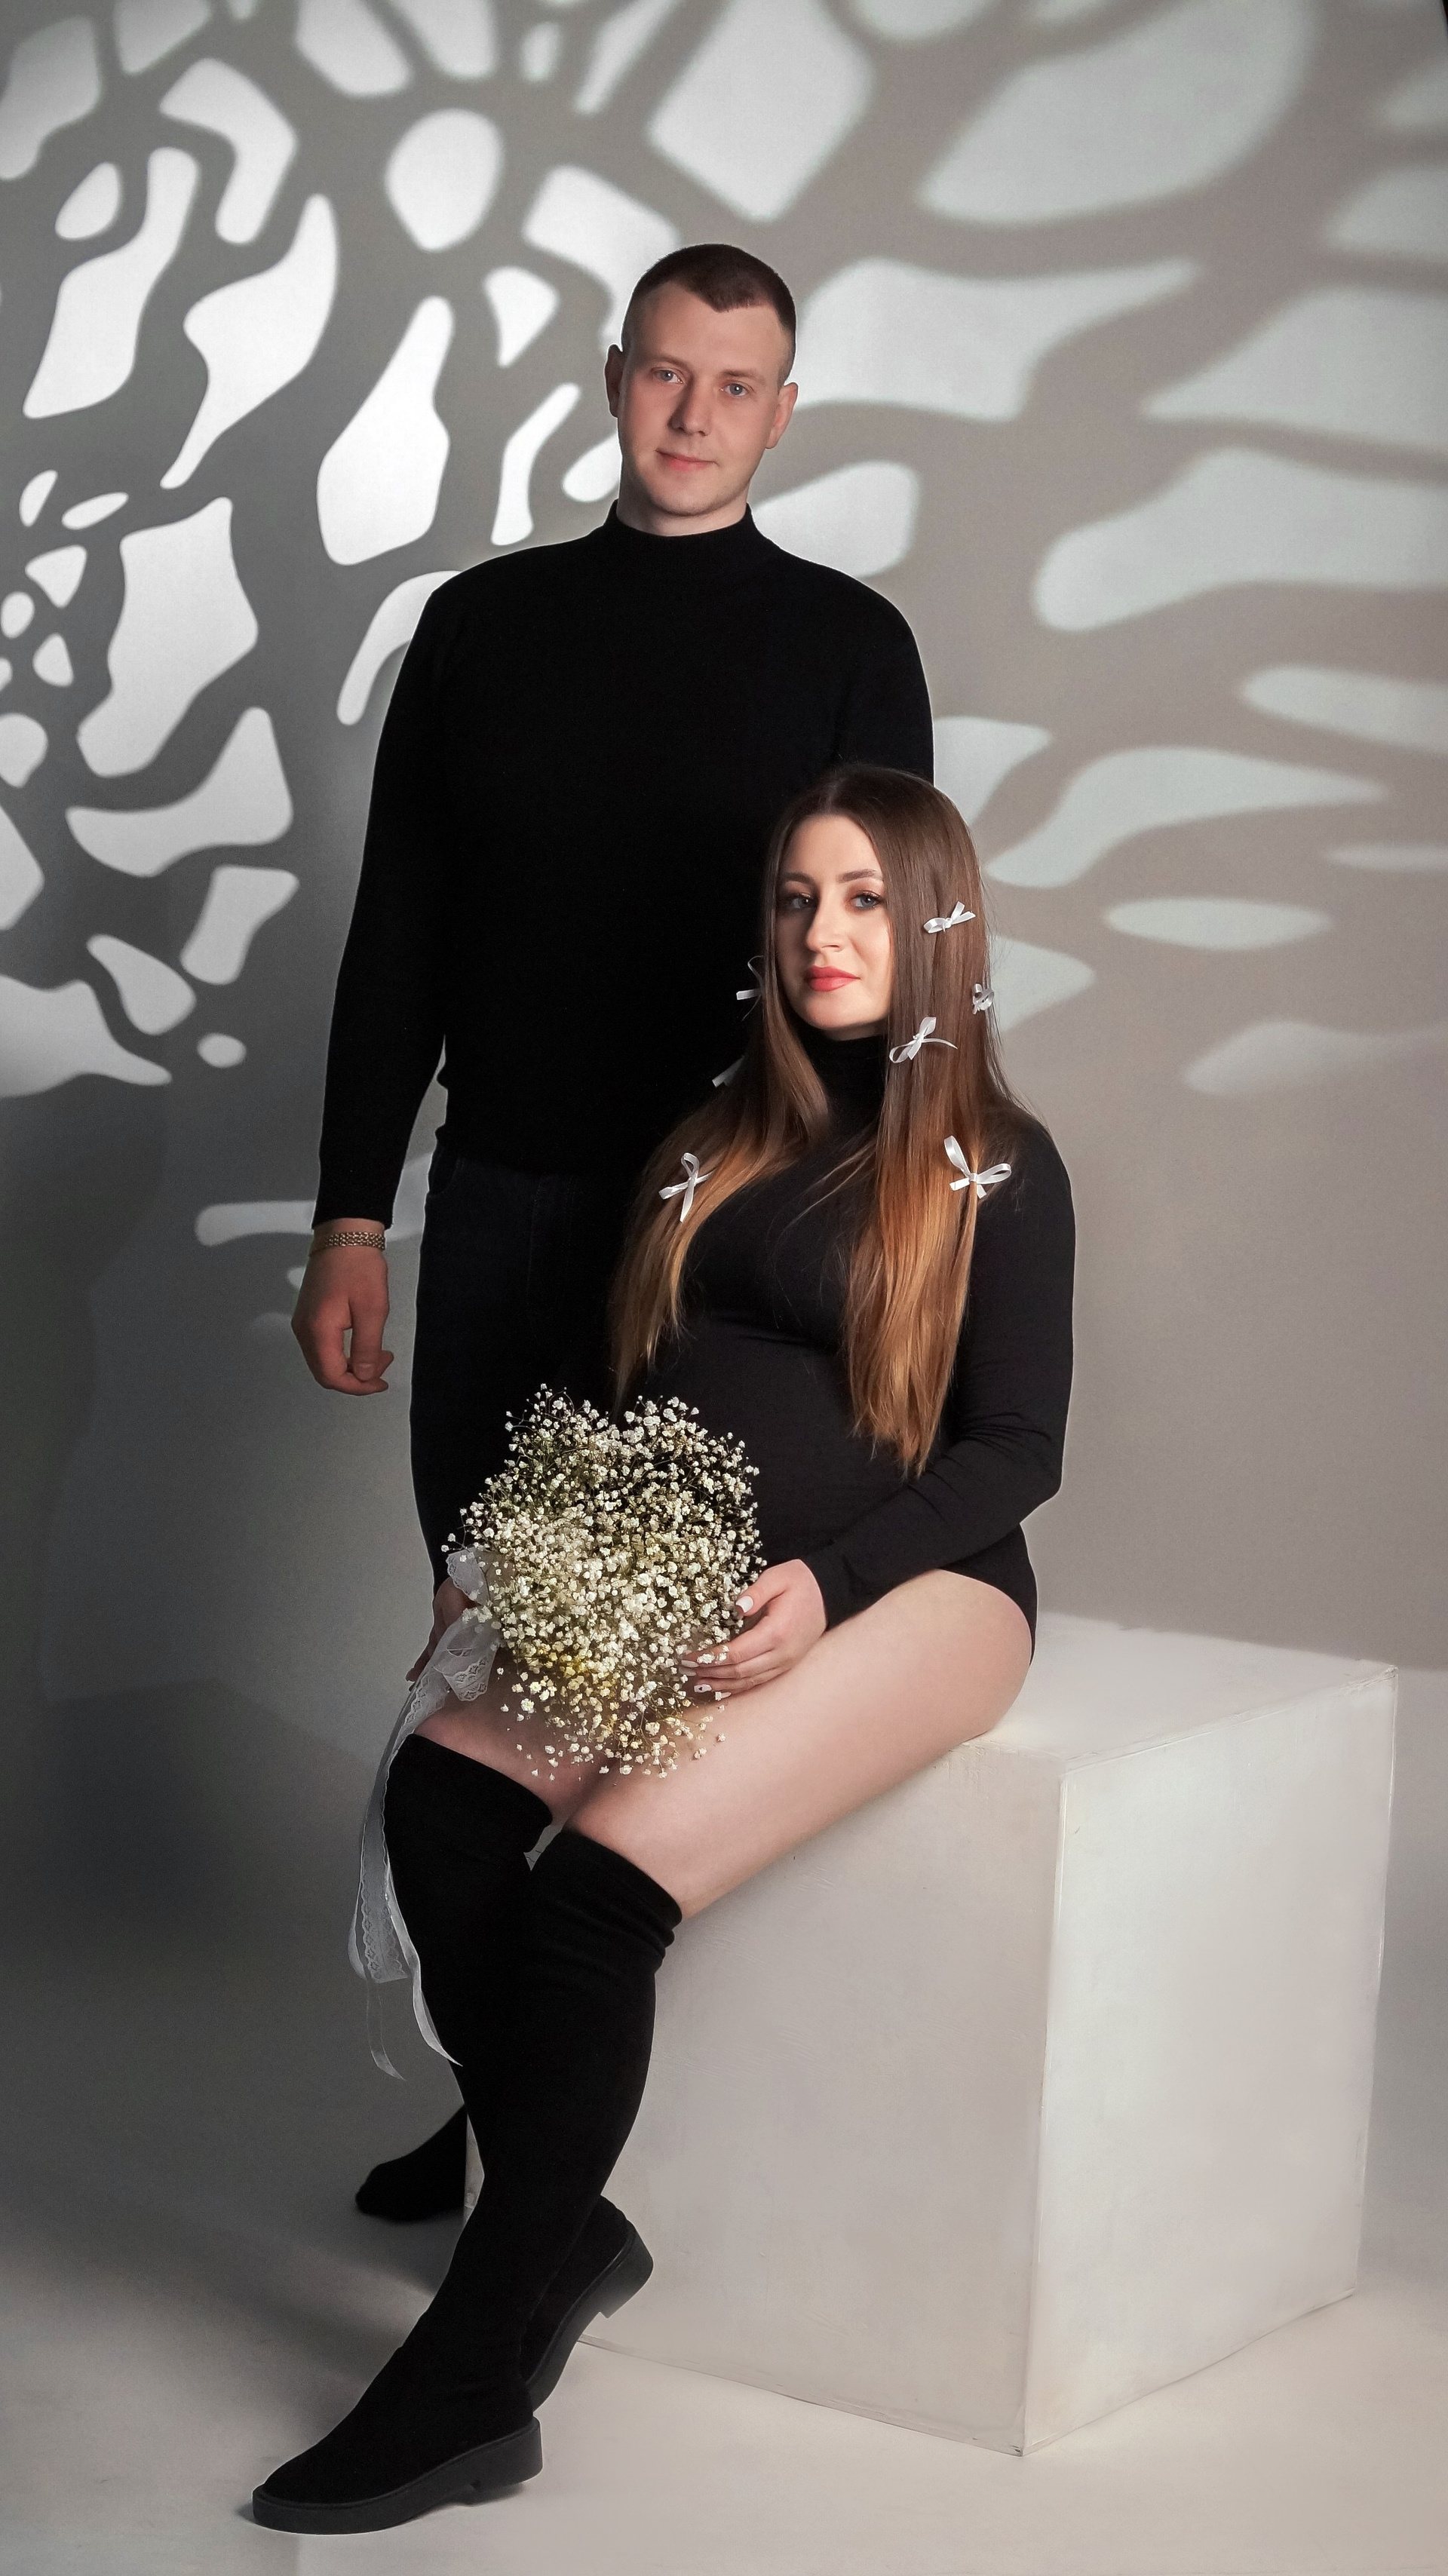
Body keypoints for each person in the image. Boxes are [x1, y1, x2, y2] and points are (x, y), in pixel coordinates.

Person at [253, 763, 1075, 2535]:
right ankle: (569, 2222)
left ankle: (474, 2373)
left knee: (591, 1898)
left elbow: (1022, 1447)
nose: (824, 932)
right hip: (669, 1555)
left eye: (864, 898)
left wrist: (830, 1587)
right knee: (441, 1809)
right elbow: (623, 1379)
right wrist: (509, 1554)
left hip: (922, 1588)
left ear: (937, 921)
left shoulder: (996, 1162)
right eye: (796, 899)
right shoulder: (714, 1133)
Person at [291, 241, 934, 2227]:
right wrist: (350, 1214)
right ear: (611, 379)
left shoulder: (847, 643)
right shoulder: (481, 626)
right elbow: (398, 937)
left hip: (724, 1243)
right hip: (501, 1203)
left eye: (734, 385)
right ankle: (505, 2114)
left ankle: (542, 2146)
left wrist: (867, 1253)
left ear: (781, 413)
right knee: (486, 1664)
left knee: (635, 1687)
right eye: (664, 371)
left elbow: (881, 957)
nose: (692, 412)